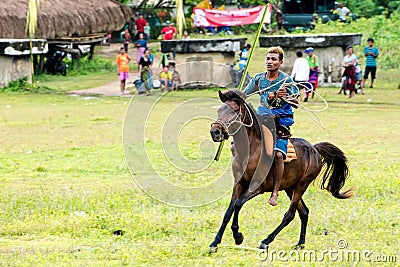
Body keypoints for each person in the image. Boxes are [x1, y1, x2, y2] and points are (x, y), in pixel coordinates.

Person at [244, 46, 299, 206]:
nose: (270, 61)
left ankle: (275, 192)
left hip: (280, 122)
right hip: (261, 119)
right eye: (268, 58)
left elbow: (296, 103)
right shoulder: (259, 79)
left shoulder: (286, 80)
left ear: (280, 63)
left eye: (273, 59)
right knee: (240, 143)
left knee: (278, 155)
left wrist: (287, 96)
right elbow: (245, 94)